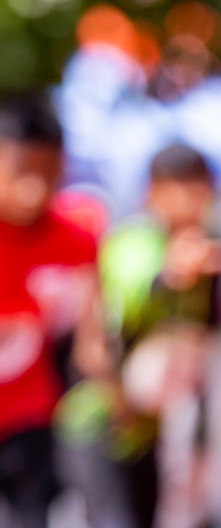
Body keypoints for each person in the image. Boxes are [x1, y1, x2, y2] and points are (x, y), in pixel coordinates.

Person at [58, 143, 221, 528]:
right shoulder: (134, 242)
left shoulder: (205, 251)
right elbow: (126, 300)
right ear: (154, 192)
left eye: (202, 191)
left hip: (146, 431)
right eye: (184, 190)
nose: (195, 203)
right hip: (100, 420)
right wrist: (171, 275)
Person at [0, 93, 109, 528]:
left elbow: (91, 336)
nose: (35, 188)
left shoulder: (76, 239)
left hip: (33, 417)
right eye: (21, 172)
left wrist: (112, 385)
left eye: (48, 173)